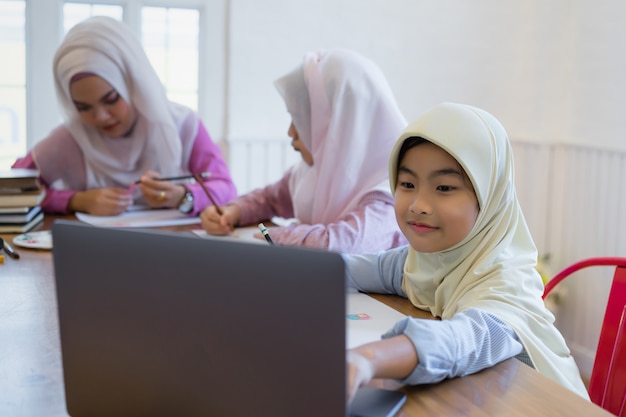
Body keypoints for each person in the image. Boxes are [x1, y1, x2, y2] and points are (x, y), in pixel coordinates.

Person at [344, 102, 589, 403]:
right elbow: (351, 268)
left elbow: (462, 342)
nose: (418, 204)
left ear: (488, 198)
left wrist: (366, 358)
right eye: (407, 183)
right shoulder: (426, 261)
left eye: (444, 188)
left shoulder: (505, 282)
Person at [12, 16, 237, 216]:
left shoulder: (181, 125)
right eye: (83, 107)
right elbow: (10, 189)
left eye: (111, 99)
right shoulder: (71, 138)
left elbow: (225, 187)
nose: (100, 117)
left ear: (133, 84)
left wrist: (182, 196)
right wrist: (76, 201)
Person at [200, 49, 408, 253]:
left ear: (341, 126)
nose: (291, 132)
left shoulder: (392, 192)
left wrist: (273, 234)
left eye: (300, 121)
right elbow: (270, 199)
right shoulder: (310, 173)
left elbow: (340, 245)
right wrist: (232, 212)